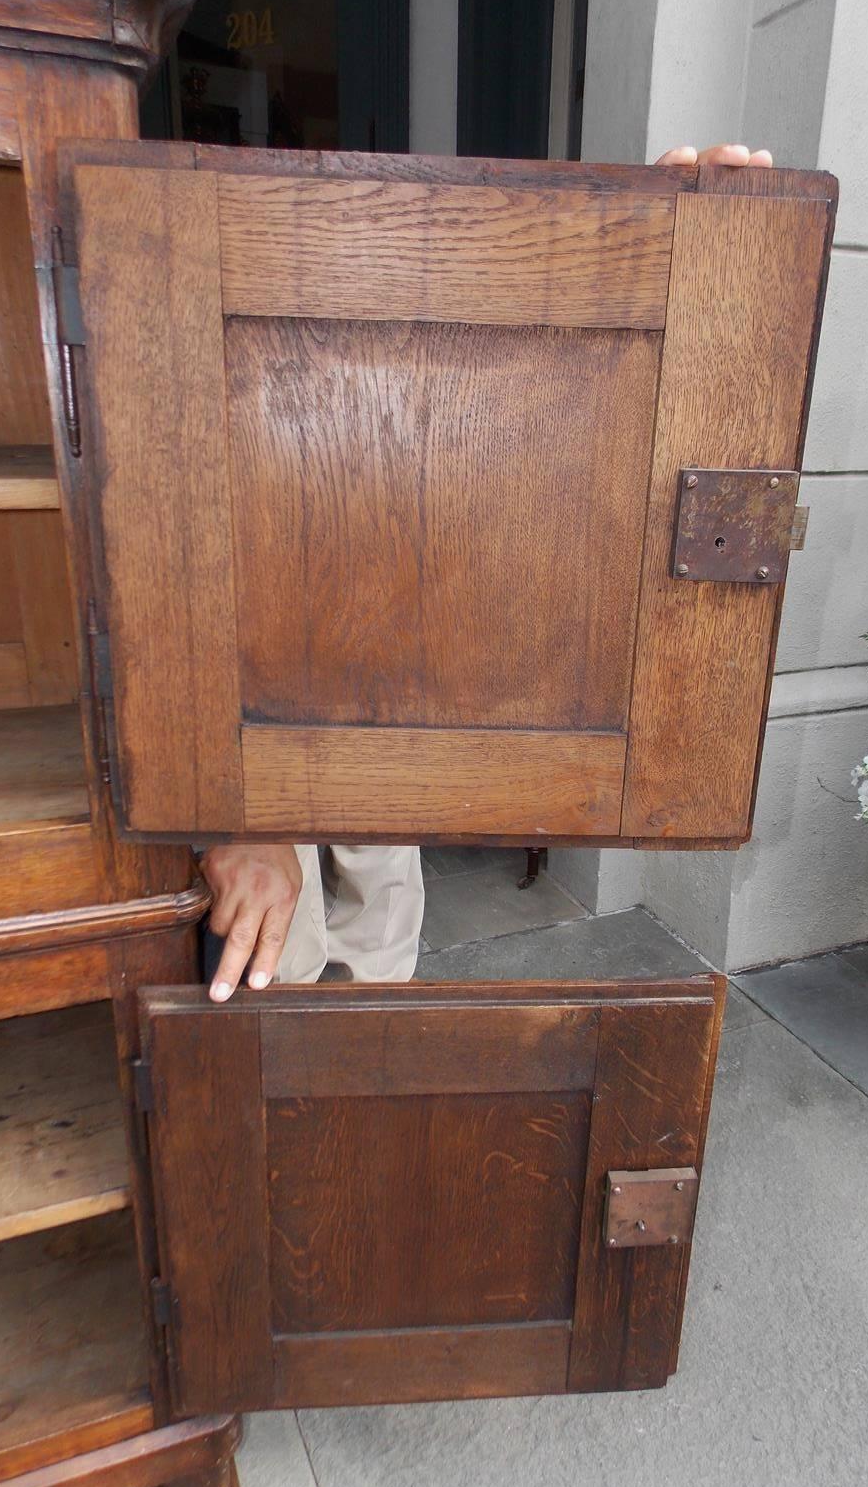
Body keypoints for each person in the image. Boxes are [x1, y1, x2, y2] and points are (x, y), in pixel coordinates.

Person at [201, 141, 774, 1003]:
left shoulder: (451, 402)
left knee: (379, 948)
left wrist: (662, 244)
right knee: (274, 975)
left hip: (385, 685)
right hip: (248, 696)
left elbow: (571, 433)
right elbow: (165, 587)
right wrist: (223, 816)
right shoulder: (227, 368)